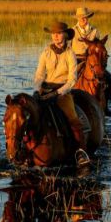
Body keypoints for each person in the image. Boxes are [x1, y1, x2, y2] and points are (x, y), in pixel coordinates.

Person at [32, 21, 90, 167]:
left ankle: (81, 152)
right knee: (30, 115)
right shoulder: (45, 52)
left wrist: (58, 92)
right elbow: (39, 74)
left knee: (73, 119)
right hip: (45, 89)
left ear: (65, 35)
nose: (55, 37)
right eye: (53, 34)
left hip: (63, 91)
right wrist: (38, 88)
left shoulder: (70, 53)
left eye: (58, 34)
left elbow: (72, 79)